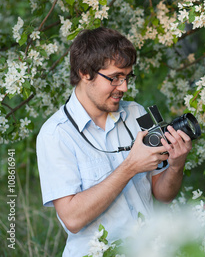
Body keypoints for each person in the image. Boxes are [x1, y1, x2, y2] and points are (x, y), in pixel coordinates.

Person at [36, 28, 192, 256]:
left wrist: (177, 165)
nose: (124, 87)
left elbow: (163, 194)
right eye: (115, 78)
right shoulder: (55, 135)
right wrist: (130, 167)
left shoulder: (137, 113)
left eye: (128, 77)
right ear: (84, 72)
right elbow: (72, 218)